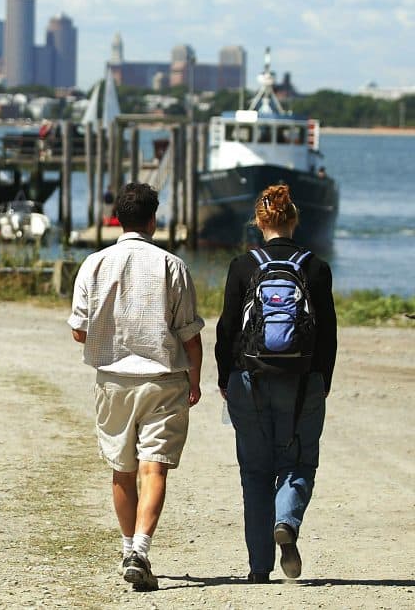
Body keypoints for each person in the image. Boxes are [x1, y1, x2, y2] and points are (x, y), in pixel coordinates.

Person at [67, 182, 204, 591]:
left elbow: (79, 331)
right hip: (163, 380)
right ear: (152, 220)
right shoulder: (172, 266)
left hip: (112, 380)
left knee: (121, 470)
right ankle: (140, 550)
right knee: (154, 465)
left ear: (116, 219)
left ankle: (128, 546)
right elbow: (190, 336)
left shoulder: (93, 264)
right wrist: (195, 380)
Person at [215, 184, 336, 584]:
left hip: (248, 377)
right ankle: (287, 520)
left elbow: (227, 328)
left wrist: (224, 378)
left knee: (254, 473)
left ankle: (258, 568)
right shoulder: (315, 267)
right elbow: (329, 335)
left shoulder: (242, 265)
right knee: (299, 462)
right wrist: (323, 381)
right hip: (304, 381)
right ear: (294, 219)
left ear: (259, 221)